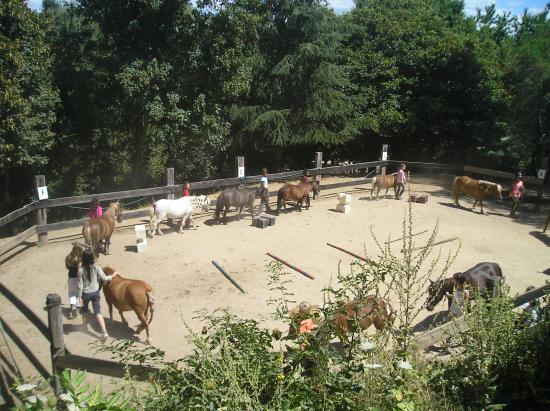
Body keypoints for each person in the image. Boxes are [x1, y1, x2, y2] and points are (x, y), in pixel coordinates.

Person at [77, 249, 113, 340]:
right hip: (95, 293)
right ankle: (104, 332)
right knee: (97, 312)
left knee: (84, 311)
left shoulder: (80, 271)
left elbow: (80, 286)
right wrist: (113, 275)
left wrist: (79, 297)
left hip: (85, 294)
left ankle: (84, 326)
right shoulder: (96, 267)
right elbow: (104, 278)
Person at [65, 244, 84, 319]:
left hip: (70, 278)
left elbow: (67, 267)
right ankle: (77, 307)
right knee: (78, 294)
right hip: (78, 278)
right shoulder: (79, 259)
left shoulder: (68, 257)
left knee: (71, 293)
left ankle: (73, 307)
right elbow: (80, 269)